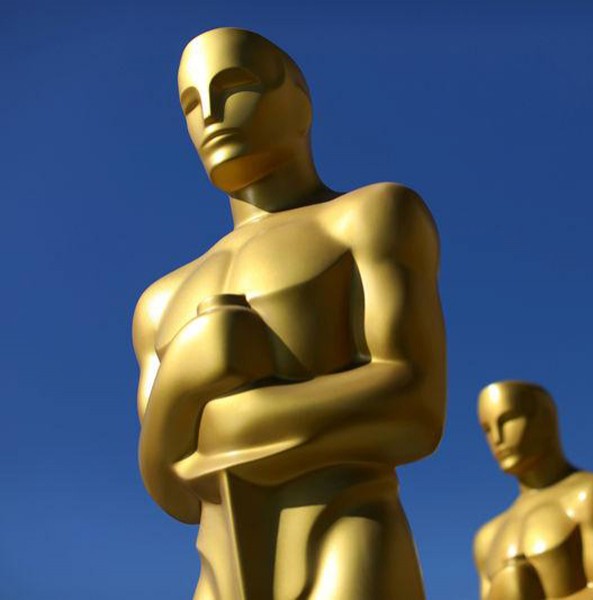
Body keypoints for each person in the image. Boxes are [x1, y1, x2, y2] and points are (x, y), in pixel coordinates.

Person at [132, 27, 445, 600]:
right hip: (219, 566)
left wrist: (231, 423)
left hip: (344, 535)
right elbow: (167, 486)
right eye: (191, 102)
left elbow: (415, 402)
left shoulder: (367, 217)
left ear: (299, 99)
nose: (212, 113)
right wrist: (188, 370)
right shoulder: (160, 302)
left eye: (234, 85)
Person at [473, 381, 593, 600]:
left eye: (508, 419)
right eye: (487, 429)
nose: (497, 438)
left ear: (545, 418)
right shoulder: (487, 538)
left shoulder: (592, 494)